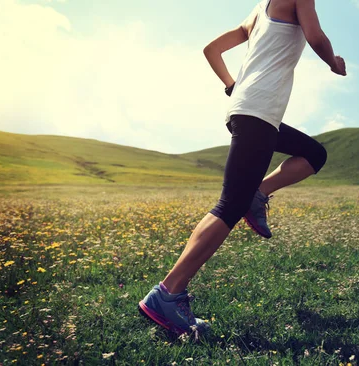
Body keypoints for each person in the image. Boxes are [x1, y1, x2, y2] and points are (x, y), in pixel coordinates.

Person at [138, 0, 346, 335]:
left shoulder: (256, 12)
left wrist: (231, 85)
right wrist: (334, 62)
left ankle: (259, 193)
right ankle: (167, 294)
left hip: (249, 110)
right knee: (227, 207)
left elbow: (211, 50)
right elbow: (316, 37)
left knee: (313, 154)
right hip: (258, 112)